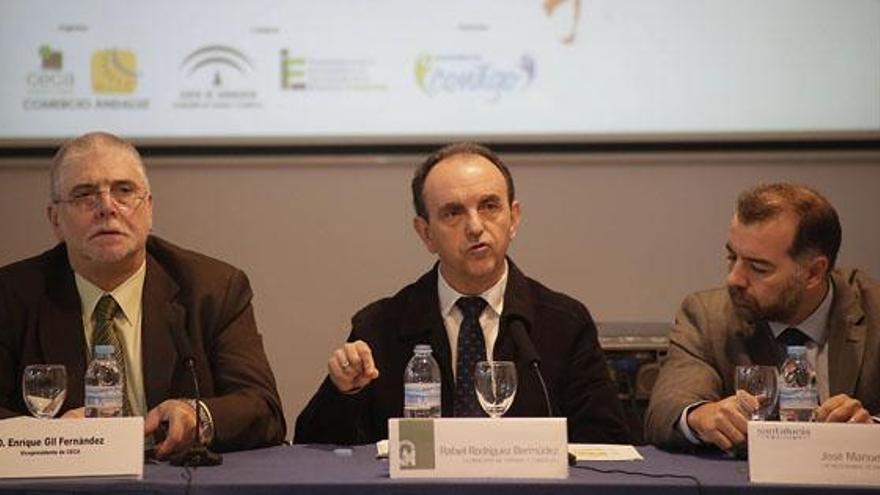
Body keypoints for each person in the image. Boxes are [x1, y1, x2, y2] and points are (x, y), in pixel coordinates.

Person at [294, 142, 630, 445]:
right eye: (453, 213)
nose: (474, 227)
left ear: (513, 219)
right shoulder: (379, 327)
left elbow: (608, 442)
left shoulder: (564, 324)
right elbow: (314, 446)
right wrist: (345, 391)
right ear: (426, 234)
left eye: (489, 206)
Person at [0, 131, 286, 458]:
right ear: (55, 221)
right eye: (84, 194)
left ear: (148, 209)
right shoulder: (12, 296)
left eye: (124, 191)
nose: (107, 207)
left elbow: (263, 409)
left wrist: (198, 417)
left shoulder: (212, 288)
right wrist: (49, 437)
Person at [645, 183, 879, 452]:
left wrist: (870, 430)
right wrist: (701, 416)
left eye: (758, 268)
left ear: (814, 273)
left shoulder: (874, 311)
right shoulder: (707, 315)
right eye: (732, 257)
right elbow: (666, 408)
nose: (733, 278)